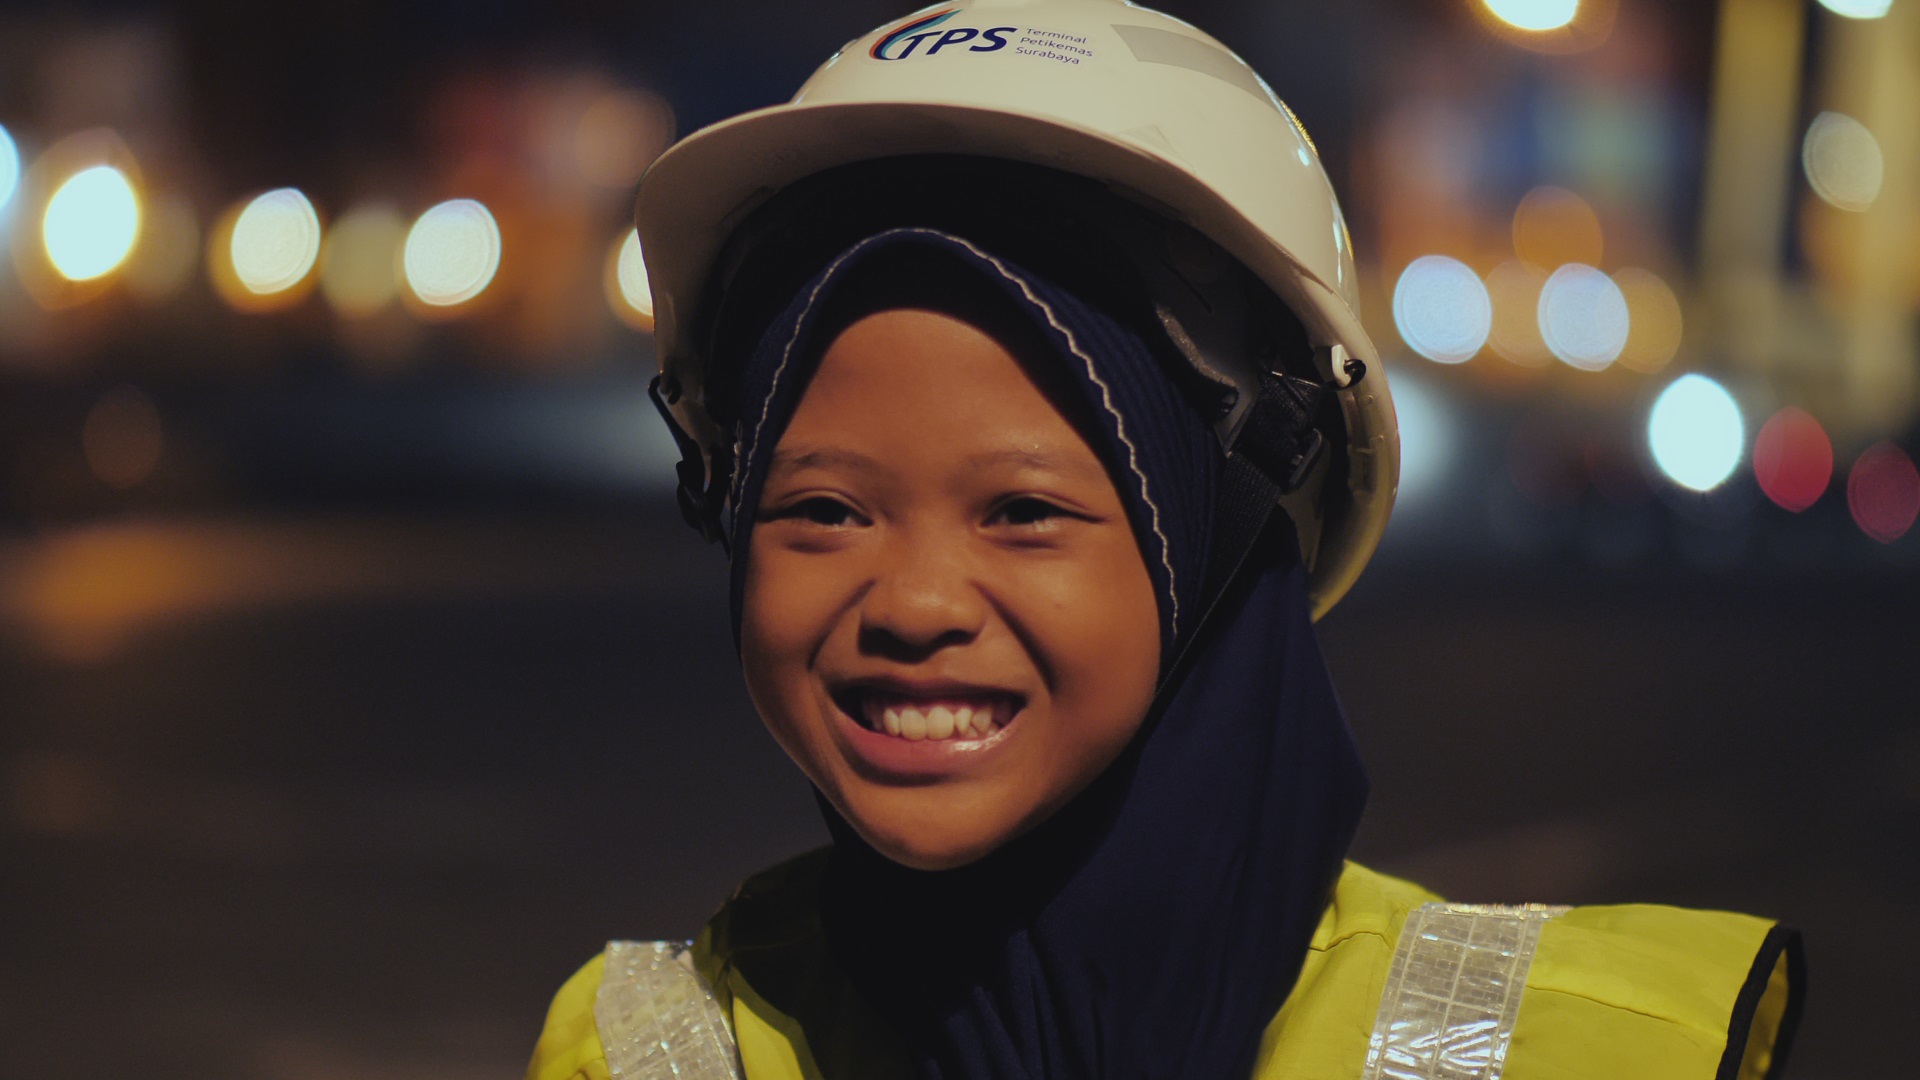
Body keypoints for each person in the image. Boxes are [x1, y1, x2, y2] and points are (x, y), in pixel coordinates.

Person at [527, 2, 1804, 1077]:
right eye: (820, 511)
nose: (912, 601)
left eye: (1023, 512)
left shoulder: (1588, 1052)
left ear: (1226, 536)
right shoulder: (638, 1050)